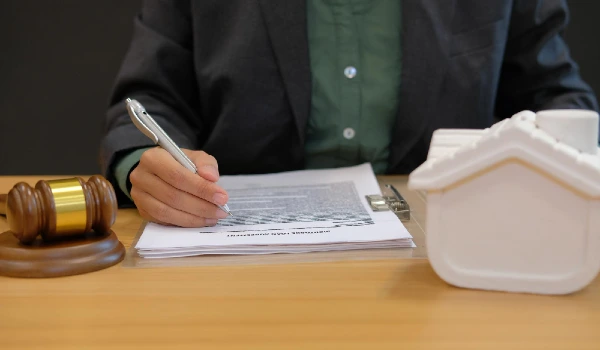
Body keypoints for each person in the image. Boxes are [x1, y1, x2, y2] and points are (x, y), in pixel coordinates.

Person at [100, 0, 598, 228]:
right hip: (234, 248)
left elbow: (558, 98)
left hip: (444, 248)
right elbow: (148, 100)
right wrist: (142, 161)